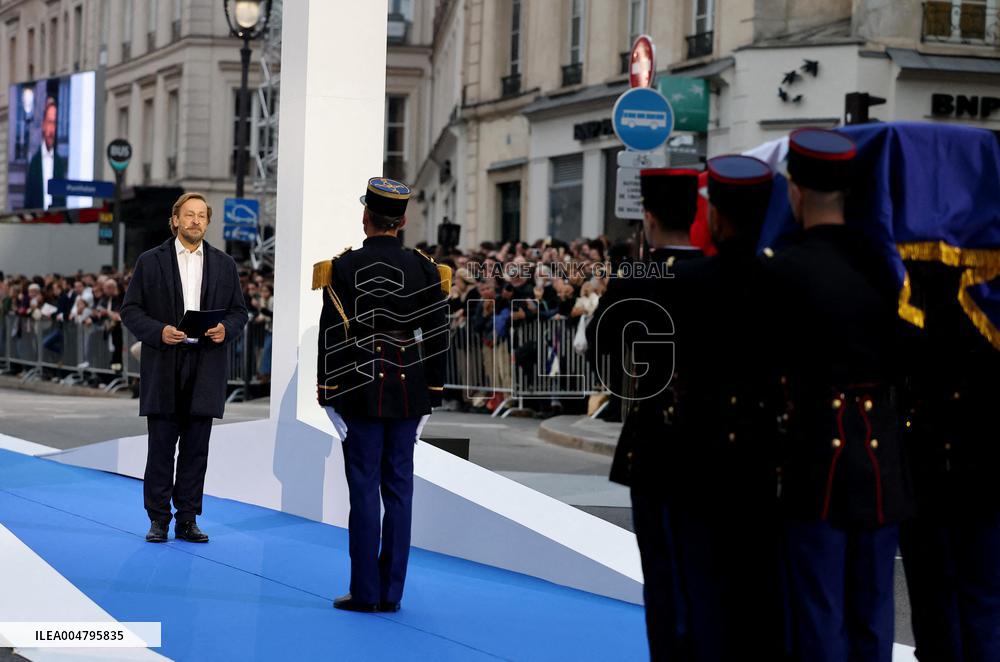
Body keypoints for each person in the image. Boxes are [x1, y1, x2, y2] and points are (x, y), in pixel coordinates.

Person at [764, 128, 910, 662]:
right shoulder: (885, 268)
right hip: (880, 460)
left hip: (811, 460)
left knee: (818, 610)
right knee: (872, 613)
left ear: (796, 192)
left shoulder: (782, 269)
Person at [663, 155, 785, 658]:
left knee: (702, 589)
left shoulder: (688, 281)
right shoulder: (783, 278)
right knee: (759, 588)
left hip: (700, 450)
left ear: (714, 215)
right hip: (764, 453)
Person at [314, 177, 450, 613]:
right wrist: (432, 389)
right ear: (403, 220)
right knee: (400, 490)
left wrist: (329, 390)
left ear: (365, 217)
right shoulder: (426, 266)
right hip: (409, 383)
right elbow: (437, 333)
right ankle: (392, 592)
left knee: (364, 489)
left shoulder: (345, 266)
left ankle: (365, 592)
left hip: (359, 383)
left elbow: (332, 333)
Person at [586, 167, 702, 660]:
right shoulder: (728, 274)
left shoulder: (640, 275)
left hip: (656, 433)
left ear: (649, 219)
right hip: (720, 438)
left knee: (660, 570)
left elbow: (600, 345)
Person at [120, 192, 248, 544]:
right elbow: (130, 310)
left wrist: (227, 330)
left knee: (196, 449)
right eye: (189, 215)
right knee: (160, 446)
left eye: (202, 216)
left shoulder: (224, 264)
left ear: (207, 222)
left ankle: (188, 518)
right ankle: (158, 519)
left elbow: (239, 312)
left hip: (206, 363)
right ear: (175, 219)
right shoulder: (150, 261)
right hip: (164, 361)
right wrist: (159, 332)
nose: (195, 221)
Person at [898, 256, 1000, 661]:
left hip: (937, 453)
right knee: (972, 610)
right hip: (967, 456)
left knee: (953, 609)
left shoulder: (915, 269)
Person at [24, 97, 68, 211]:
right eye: (49, 122)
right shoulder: (34, 163)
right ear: (43, 124)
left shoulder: (59, 164)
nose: (52, 130)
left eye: (55, 124)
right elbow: (28, 202)